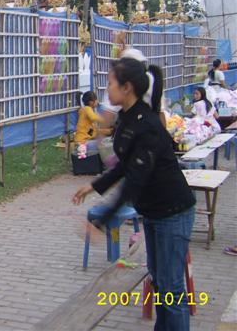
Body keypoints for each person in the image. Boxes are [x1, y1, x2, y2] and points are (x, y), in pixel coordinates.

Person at [72, 57, 196, 331]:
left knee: (172, 290)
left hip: (173, 213)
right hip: (154, 213)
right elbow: (124, 165)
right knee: (160, 282)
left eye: (111, 84)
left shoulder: (147, 125)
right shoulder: (128, 117)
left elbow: (133, 181)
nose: (107, 90)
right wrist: (94, 186)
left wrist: (101, 221)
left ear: (127, 87)